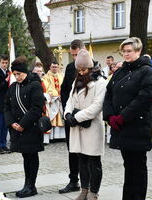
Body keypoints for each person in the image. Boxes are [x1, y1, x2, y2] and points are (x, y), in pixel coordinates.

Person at [103, 37, 152, 200]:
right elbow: (108, 94)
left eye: (129, 51)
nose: (126, 54)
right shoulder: (120, 71)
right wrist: (110, 115)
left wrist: (123, 117)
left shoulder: (147, 71)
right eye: (124, 51)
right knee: (128, 167)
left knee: (137, 169)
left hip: (137, 127)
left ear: (138, 51)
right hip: (121, 128)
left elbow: (145, 97)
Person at [65, 49, 107, 200]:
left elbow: (97, 106)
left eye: (84, 69)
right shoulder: (76, 81)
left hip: (92, 127)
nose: (81, 72)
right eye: (79, 70)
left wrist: (76, 117)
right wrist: (67, 114)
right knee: (81, 160)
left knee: (94, 161)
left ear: (90, 67)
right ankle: (84, 190)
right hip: (77, 128)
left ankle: (93, 192)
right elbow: (70, 100)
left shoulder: (100, 82)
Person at [4, 56, 45, 198]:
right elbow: (7, 106)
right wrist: (11, 123)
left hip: (31, 128)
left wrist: (22, 124)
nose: (17, 77)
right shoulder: (13, 87)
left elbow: (36, 108)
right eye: (14, 75)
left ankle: (31, 185)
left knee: (31, 156)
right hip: (17, 129)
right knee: (25, 156)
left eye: (19, 74)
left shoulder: (35, 85)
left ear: (25, 72)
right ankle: (27, 185)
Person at [59, 39, 85, 193]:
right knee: (72, 150)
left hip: (85, 116)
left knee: (87, 152)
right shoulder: (70, 68)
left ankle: (88, 184)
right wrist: (66, 111)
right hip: (71, 117)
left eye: (77, 54)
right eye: (72, 55)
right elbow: (64, 91)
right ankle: (73, 180)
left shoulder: (93, 65)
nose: (75, 58)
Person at [42, 61, 65, 143]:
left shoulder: (61, 76)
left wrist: (62, 95)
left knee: (61, 117)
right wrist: (56, 96)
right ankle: (52, 137)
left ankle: (61, 136)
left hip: (61, 100)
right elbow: (48, 88)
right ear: (50, 67)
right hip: (53, 100)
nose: (55, 68)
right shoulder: (46, 77)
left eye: (56, 67)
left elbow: (64, 86)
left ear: (58, 68)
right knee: (52, 116)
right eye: (53, 67)